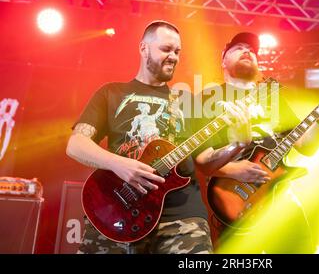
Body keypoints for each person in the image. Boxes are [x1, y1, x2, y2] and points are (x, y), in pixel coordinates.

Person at [66, 20, 250, 254]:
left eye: (177, 51)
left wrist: (238, 144)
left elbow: (205, 162)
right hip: (117, 208)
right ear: (143, 48)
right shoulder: (111, 93)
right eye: (166, 49)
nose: (173, 56)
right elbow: (76, 144)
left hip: (182, 218)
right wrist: (119, 164)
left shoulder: (188, 102)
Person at [193, 32, 319, 253]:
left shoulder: (272, 95)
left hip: (277, 193)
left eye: (252, 50)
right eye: (239, 47)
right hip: (232, 196)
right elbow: (199, 160)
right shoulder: (207, 98)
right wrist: (233, 170)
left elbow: (307, 146)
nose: (248, 51)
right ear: (223, 59)